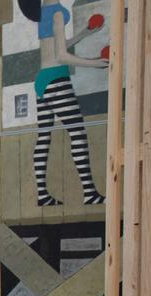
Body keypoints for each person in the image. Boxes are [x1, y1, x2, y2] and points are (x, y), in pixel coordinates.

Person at [19, 0, 108, 206]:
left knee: (44, 137)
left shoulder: (45, 13)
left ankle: (42, 195)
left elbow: (54, 47)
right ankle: (89, 193)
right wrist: (96, 63)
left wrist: (85, 33)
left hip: (42, 80)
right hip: (57, 79)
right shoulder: (56, 12)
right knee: (77, 132)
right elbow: (61, 56)